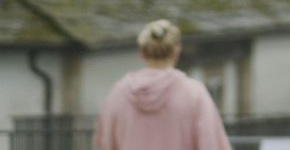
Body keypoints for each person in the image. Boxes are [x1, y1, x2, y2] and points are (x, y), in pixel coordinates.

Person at [94, 20, 229, 150]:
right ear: (176, 53)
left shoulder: (118, 94)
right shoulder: (195, 94)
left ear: (142, 52)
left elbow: (104, 143)